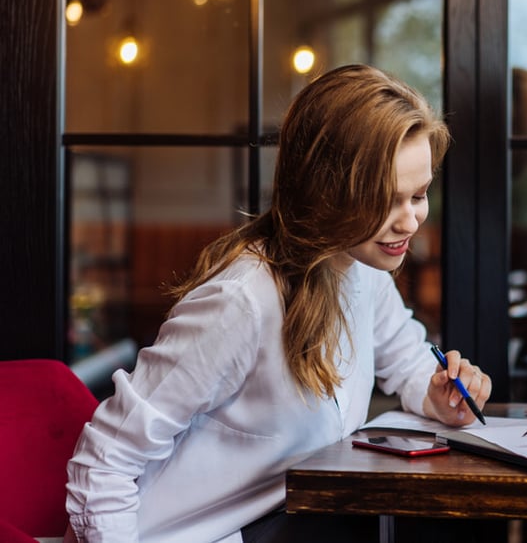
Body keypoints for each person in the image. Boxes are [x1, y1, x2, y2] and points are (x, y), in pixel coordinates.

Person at [65, 64, 492, 543]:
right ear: (327, 193)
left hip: (286, 524)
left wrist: (438, 395)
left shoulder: (363, 268)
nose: (411, 221)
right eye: (386, 200)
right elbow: (104, 460)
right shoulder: (241, 302)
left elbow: (409, 361)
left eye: (420, 195)